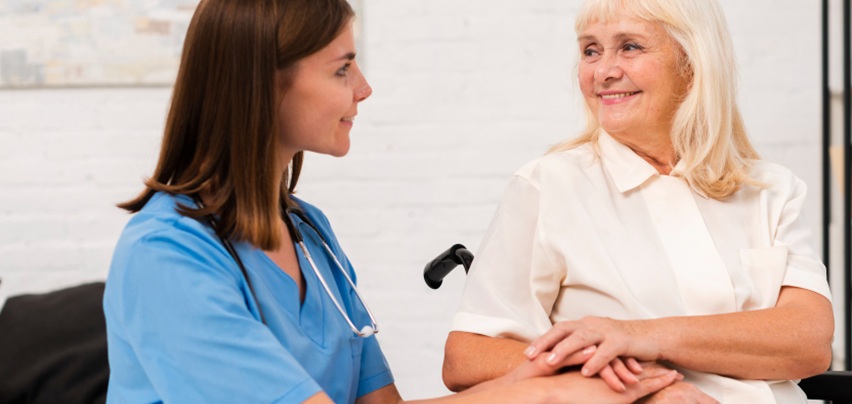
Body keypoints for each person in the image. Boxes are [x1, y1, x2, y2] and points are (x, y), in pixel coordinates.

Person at [102, 0, 682, 402]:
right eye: (342, 68)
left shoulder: (307, 231)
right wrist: (554, 392)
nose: (363, 88)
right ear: (264, 83)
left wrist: (548, 369)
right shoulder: (167, 257)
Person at [442, 0, 835, 402]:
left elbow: (808, 345)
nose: (604, 71)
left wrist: (635, 336)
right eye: (590, 50)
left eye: (630, 47)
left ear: (692, 62)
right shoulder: (549, 185)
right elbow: (467, 357)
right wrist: (634, 387)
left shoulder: (769, 187)